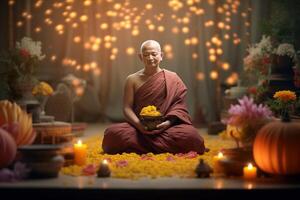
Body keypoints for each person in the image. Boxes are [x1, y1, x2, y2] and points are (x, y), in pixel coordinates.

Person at [102, 40, 206, 154]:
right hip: (139, 128)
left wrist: (167, 123)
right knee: (112, 134)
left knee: (192, 136)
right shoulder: (132, 79)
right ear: (140, 57)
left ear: (161, 56)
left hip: (166, 127)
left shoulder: (173, 78)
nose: (150, 58)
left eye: (154, 54)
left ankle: (141, 147)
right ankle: (161, 147)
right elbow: (127, 107)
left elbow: (179, 107)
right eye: (146, 55)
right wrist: (139, 125)